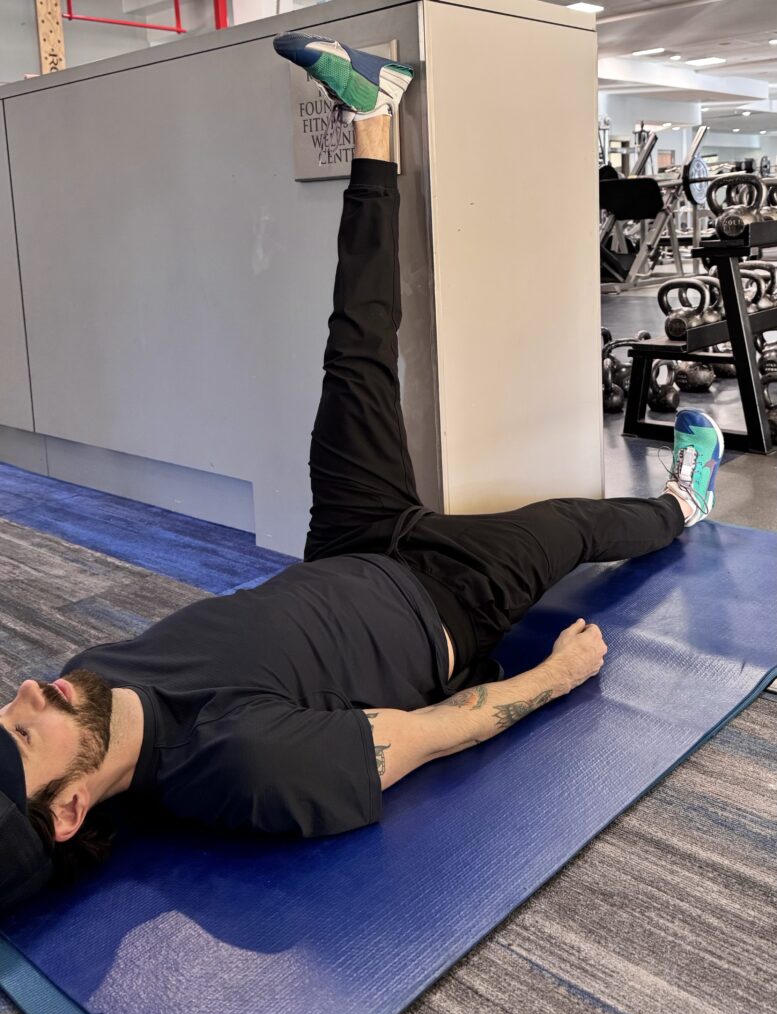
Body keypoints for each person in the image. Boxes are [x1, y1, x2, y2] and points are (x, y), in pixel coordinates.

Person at [0, 34, 724, 916]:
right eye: (23, 733)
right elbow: (430, 732)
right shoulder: (244, 770)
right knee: (571, 524)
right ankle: (684, 502)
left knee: (354, 357)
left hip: (344, 541)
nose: (27, 693)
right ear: (69, 810)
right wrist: (554, 678)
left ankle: (374, 115)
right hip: (448, 600)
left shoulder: (90, 686)